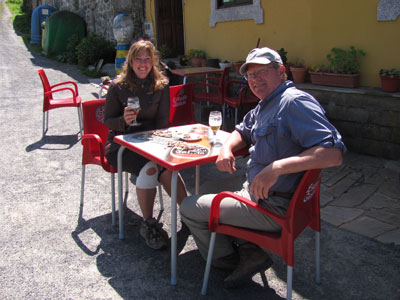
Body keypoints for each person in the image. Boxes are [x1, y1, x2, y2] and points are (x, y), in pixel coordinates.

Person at [180, 47, 346, 288]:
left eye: (262, 72)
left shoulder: (293, 103)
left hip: (272, 208)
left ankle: (225, 259)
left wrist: (277, 167)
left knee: (188, 206)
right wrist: (227, 149)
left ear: (281, 72)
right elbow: (242, 130)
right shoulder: (268, 103)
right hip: (263, 195)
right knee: (206, 186)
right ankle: (249, 249)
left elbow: (333, 155)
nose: (255, 80)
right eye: (250, 75)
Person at [104, 39, 187, 250]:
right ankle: (148, 223)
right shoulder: (118, 87)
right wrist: (123, 121)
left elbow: (162, 123)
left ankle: (189, 216)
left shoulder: (161, 86)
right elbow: (108, 121)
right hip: (121, 143)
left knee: (169, 168)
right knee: (150, 167)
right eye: (138, 59)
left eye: (147, 59)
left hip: (151, 141)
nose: (143, 64)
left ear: (153, 62)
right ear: (130, 62)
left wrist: (161, 148)